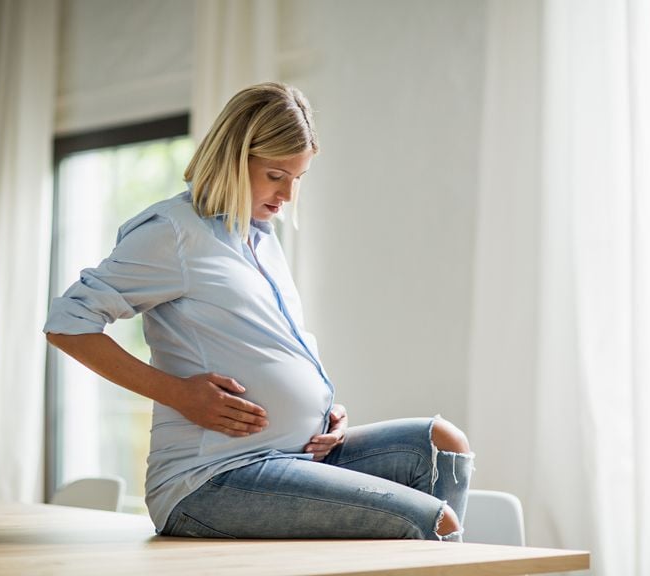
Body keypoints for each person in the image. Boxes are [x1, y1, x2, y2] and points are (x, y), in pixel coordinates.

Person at [44, 82, 473, 541]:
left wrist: (324, 410)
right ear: (234, 156)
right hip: (211, 478)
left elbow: (275, 347)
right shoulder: (171, 232)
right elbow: (68, 325)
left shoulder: (262, 237)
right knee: (432, 522)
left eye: (298, 177)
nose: (287, 194)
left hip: (297, 455)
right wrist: (180, 394)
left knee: (442, 443)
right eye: (276, 175)